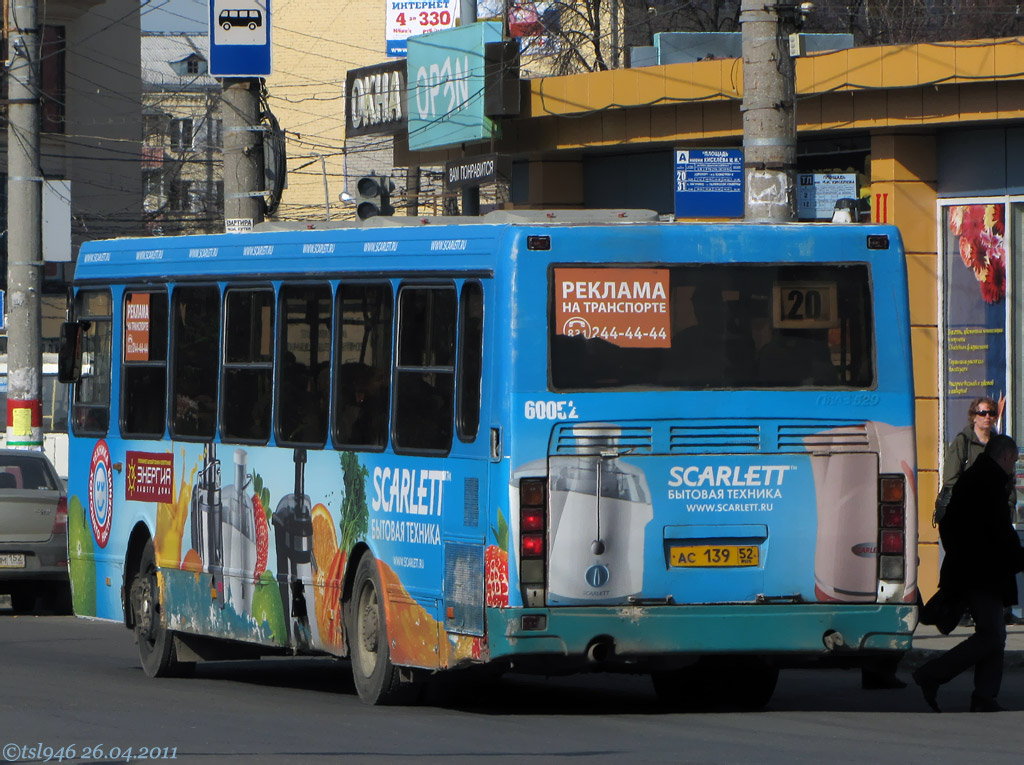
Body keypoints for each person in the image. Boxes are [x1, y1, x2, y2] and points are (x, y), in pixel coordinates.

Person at [912, 434, 1024, 712]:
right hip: (981, 572)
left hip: (977, 569)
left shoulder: (979, 477)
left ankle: (985, 697)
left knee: (994, 632)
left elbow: (951, 524)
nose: (1014, 466)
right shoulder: (988, 482)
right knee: (992, 636)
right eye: (1015, 461)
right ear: (1007, 456)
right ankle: (932, 674)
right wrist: (1016, 556)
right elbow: (998, 532)